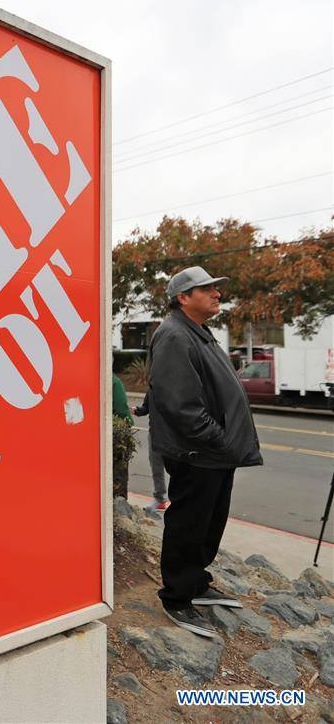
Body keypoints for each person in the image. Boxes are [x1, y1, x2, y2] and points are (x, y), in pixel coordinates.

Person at [148, 265, 263, 637]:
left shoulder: (196, 331)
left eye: (216, 287)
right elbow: (179, 404)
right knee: (189, 523)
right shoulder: (174, 334)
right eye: (207, 288)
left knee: (209, 522)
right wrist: (219, 438)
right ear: (183, 297)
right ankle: (177, 597)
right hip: (197, 451)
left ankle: (196, 582)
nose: (217, 293)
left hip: (213, 453)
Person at [131, 393, 169, 512]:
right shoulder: (152, 389)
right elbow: (146, 408)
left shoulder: (174, 387)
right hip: (154, 434)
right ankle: (160, 499)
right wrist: (136, 410)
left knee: (177, 469)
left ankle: (180, 501)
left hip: (172, 435)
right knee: (156, 467)